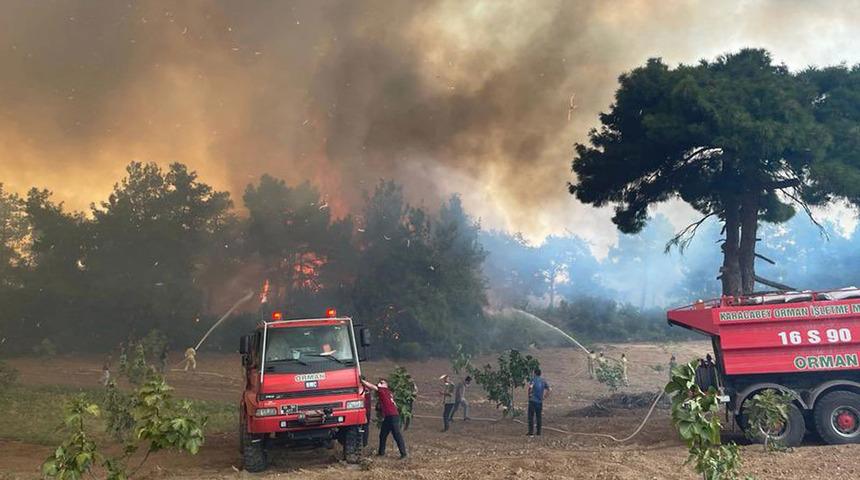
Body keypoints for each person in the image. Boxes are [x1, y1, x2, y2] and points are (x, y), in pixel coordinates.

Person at [361, 378, 407, 459]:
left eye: (381, 382)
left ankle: (403, 454)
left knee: (397, 435)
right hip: (389, 416)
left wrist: (362, 381)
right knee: (383, 435)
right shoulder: (388, 393)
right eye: (379, 382)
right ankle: (381, 452)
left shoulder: (383, 390)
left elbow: (372, 386)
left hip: (392, 416)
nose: (379, 383)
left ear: (386, 385)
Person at [527, 368, 550, 436]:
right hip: (539, 402)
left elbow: (530, 388)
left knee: (531, 417)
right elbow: (549, 389)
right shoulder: (543, 381)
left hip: (533, 401)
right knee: (538, 417)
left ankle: (531, 432)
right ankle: (538, 432)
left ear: (535, 373)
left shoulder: (533, 380)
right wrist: (544, 397)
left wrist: (529, 395)